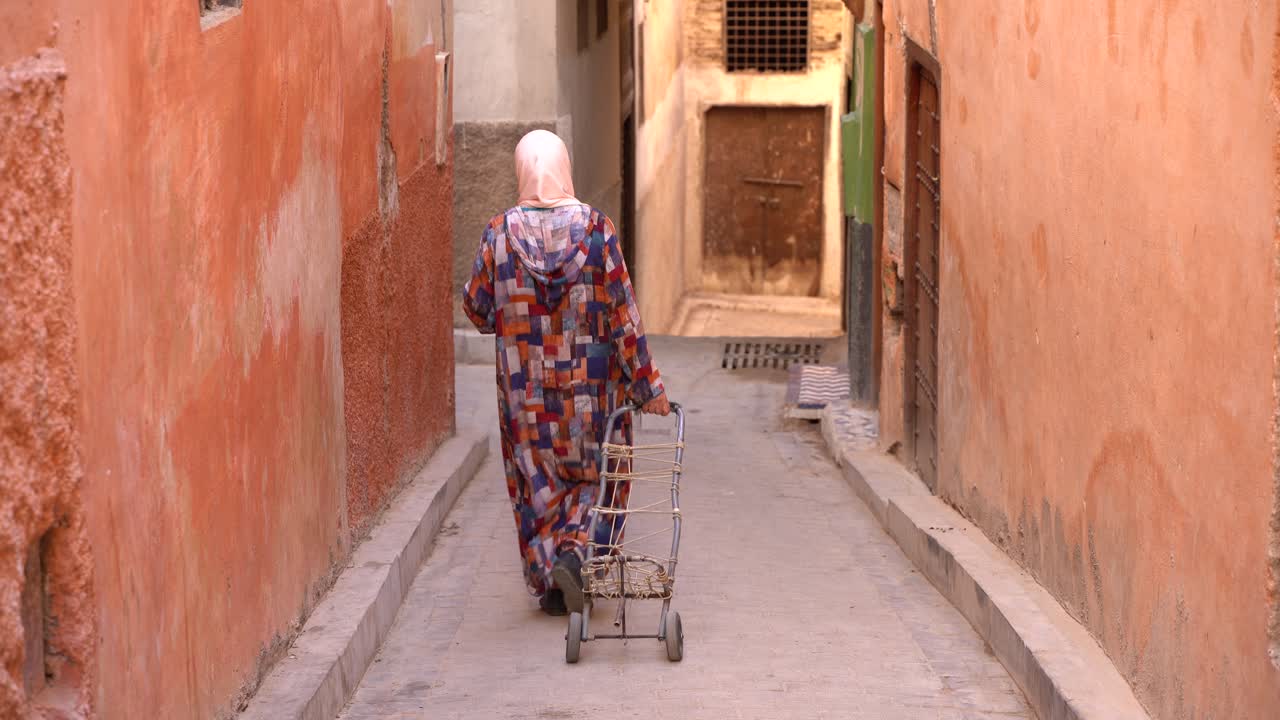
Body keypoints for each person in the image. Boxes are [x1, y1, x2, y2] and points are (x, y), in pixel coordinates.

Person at [463, 130, 670, 616]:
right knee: (596, 474)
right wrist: (648, 387)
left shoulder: (498, 234)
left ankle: (553, 573)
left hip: (526, 397)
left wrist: (515, 313)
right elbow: (623, 316)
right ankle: (578, 556)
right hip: (591, 394)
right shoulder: (597, 232)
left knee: (537, 481)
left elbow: (476, 308)